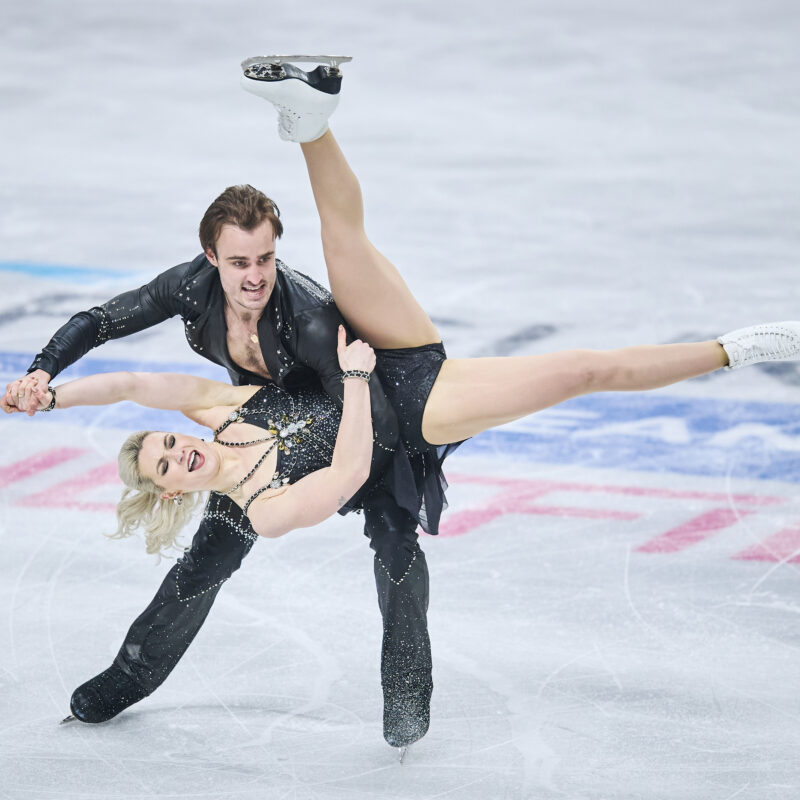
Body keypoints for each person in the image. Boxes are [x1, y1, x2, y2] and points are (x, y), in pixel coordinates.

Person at [7, 58, 800, 750]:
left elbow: (375, 433)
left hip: (392, 391)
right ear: (210, 256)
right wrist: (47, 377)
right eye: (238, 262)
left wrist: (352, 433)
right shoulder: (186, 296)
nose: (254, 277)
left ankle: (737, 346)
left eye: (266, 260)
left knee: (540, 386)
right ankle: (122, 680)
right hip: (304, 429)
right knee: (199, 570)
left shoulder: (309, 316)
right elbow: (111, 339)